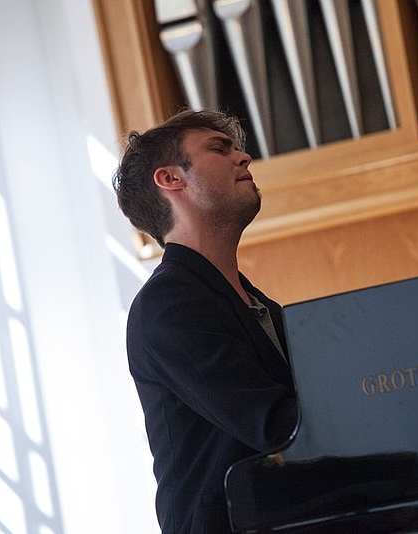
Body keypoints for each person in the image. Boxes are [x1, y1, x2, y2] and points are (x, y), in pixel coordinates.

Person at [112, 109, 298, 533]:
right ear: (170, 179)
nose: (244, 157)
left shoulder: (258, 302)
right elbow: (273, 425)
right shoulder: (168, 305)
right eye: (220, 149)